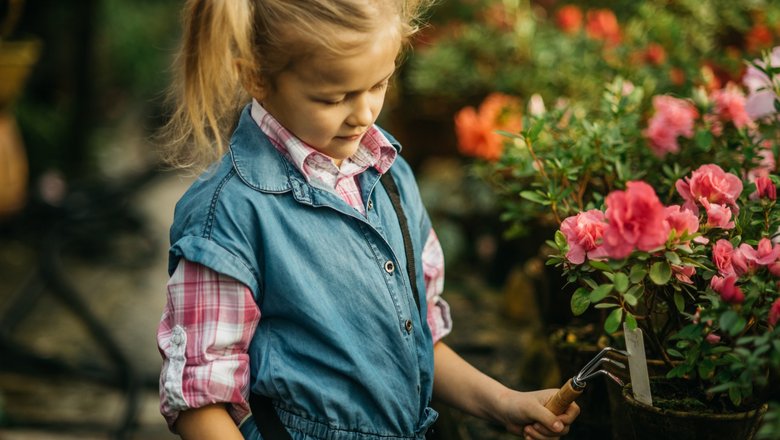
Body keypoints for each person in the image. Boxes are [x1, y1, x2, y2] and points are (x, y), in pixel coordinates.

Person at [156, 1, 580, 439]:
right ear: (257, 78)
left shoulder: (389, 173)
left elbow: (417, 342)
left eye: (379, 84)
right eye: (333, 98)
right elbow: (199, 402)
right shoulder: (229, 215)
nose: (363, 114)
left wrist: (504, 402)